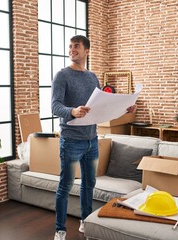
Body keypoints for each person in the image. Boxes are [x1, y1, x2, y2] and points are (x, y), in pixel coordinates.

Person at [51, 35, 135, 240]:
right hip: (71, 140)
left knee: (89, 184)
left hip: (91, 141)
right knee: (65, 185)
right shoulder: (62, 75)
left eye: (76, 47)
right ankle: (60, 230)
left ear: (87, 51)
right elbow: (55, 106)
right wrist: (72, 111)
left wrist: (126, 107)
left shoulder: (92, 77)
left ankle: (85, 222)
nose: (72, 50)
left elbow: (103, 107)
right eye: (70, 46)